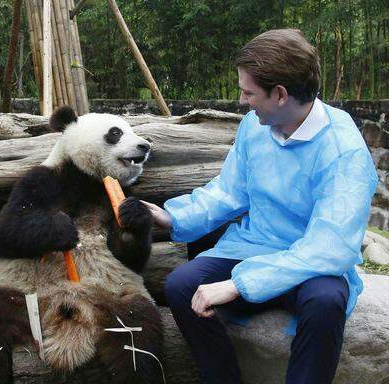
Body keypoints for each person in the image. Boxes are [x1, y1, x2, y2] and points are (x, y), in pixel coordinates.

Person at [143, 29, 378, 384]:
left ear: (280, 94)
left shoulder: (343, 150)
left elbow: (328, 248)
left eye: (248, 92)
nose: (242, 100)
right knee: (182, 284)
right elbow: (229, 191)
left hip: (311, 264)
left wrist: (239, 284)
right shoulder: (256, 125)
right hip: (255, 246)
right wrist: (173, 216)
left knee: (326, 302)